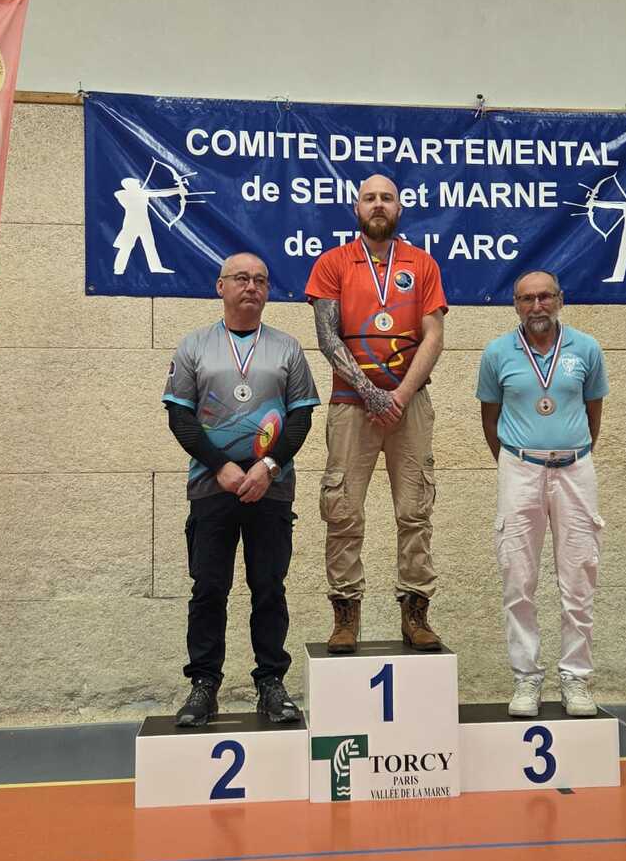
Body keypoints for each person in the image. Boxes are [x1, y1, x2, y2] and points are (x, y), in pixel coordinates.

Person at [163, 252, 319, 727]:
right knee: (209, 588)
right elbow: (180, 416)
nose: (252, 286)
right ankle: (203, 685)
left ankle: (271, 684)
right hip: (212, 487)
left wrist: (268, 466)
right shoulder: (194, 346)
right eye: (242, 279)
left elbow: (301, 417)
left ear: (268, 290)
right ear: (221, 286)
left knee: (268, 588)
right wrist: (222, 467)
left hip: (272, 488)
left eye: (261, 280)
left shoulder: (288, 348)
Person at [306, 174, 447, 654]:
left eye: (387, 198)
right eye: (370, 198)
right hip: (352, 406)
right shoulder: (332, 263)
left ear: (400, 208)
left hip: (411, 404)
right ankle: (346, 615)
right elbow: (327, 336)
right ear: (357, 207)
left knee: (415, 510)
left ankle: (416, 613)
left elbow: (434, 336)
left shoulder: (422, 264)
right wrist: (370, 393)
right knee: (342, 509)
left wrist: (399, 396)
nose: (378, 205)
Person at [478, 271, 609, 717]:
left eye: (545, 297)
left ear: (560, 300)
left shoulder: (586, 349)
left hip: (575, 468)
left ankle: (576, 679)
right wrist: (515, 460)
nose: (537, 306)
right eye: (527, 298)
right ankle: (526, 679)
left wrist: (570, 452)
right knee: (518, 577)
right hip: (519, 468)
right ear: (515, 304)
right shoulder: (497, 353)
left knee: (580, 575)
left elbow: (593, 413)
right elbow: (490, 417)